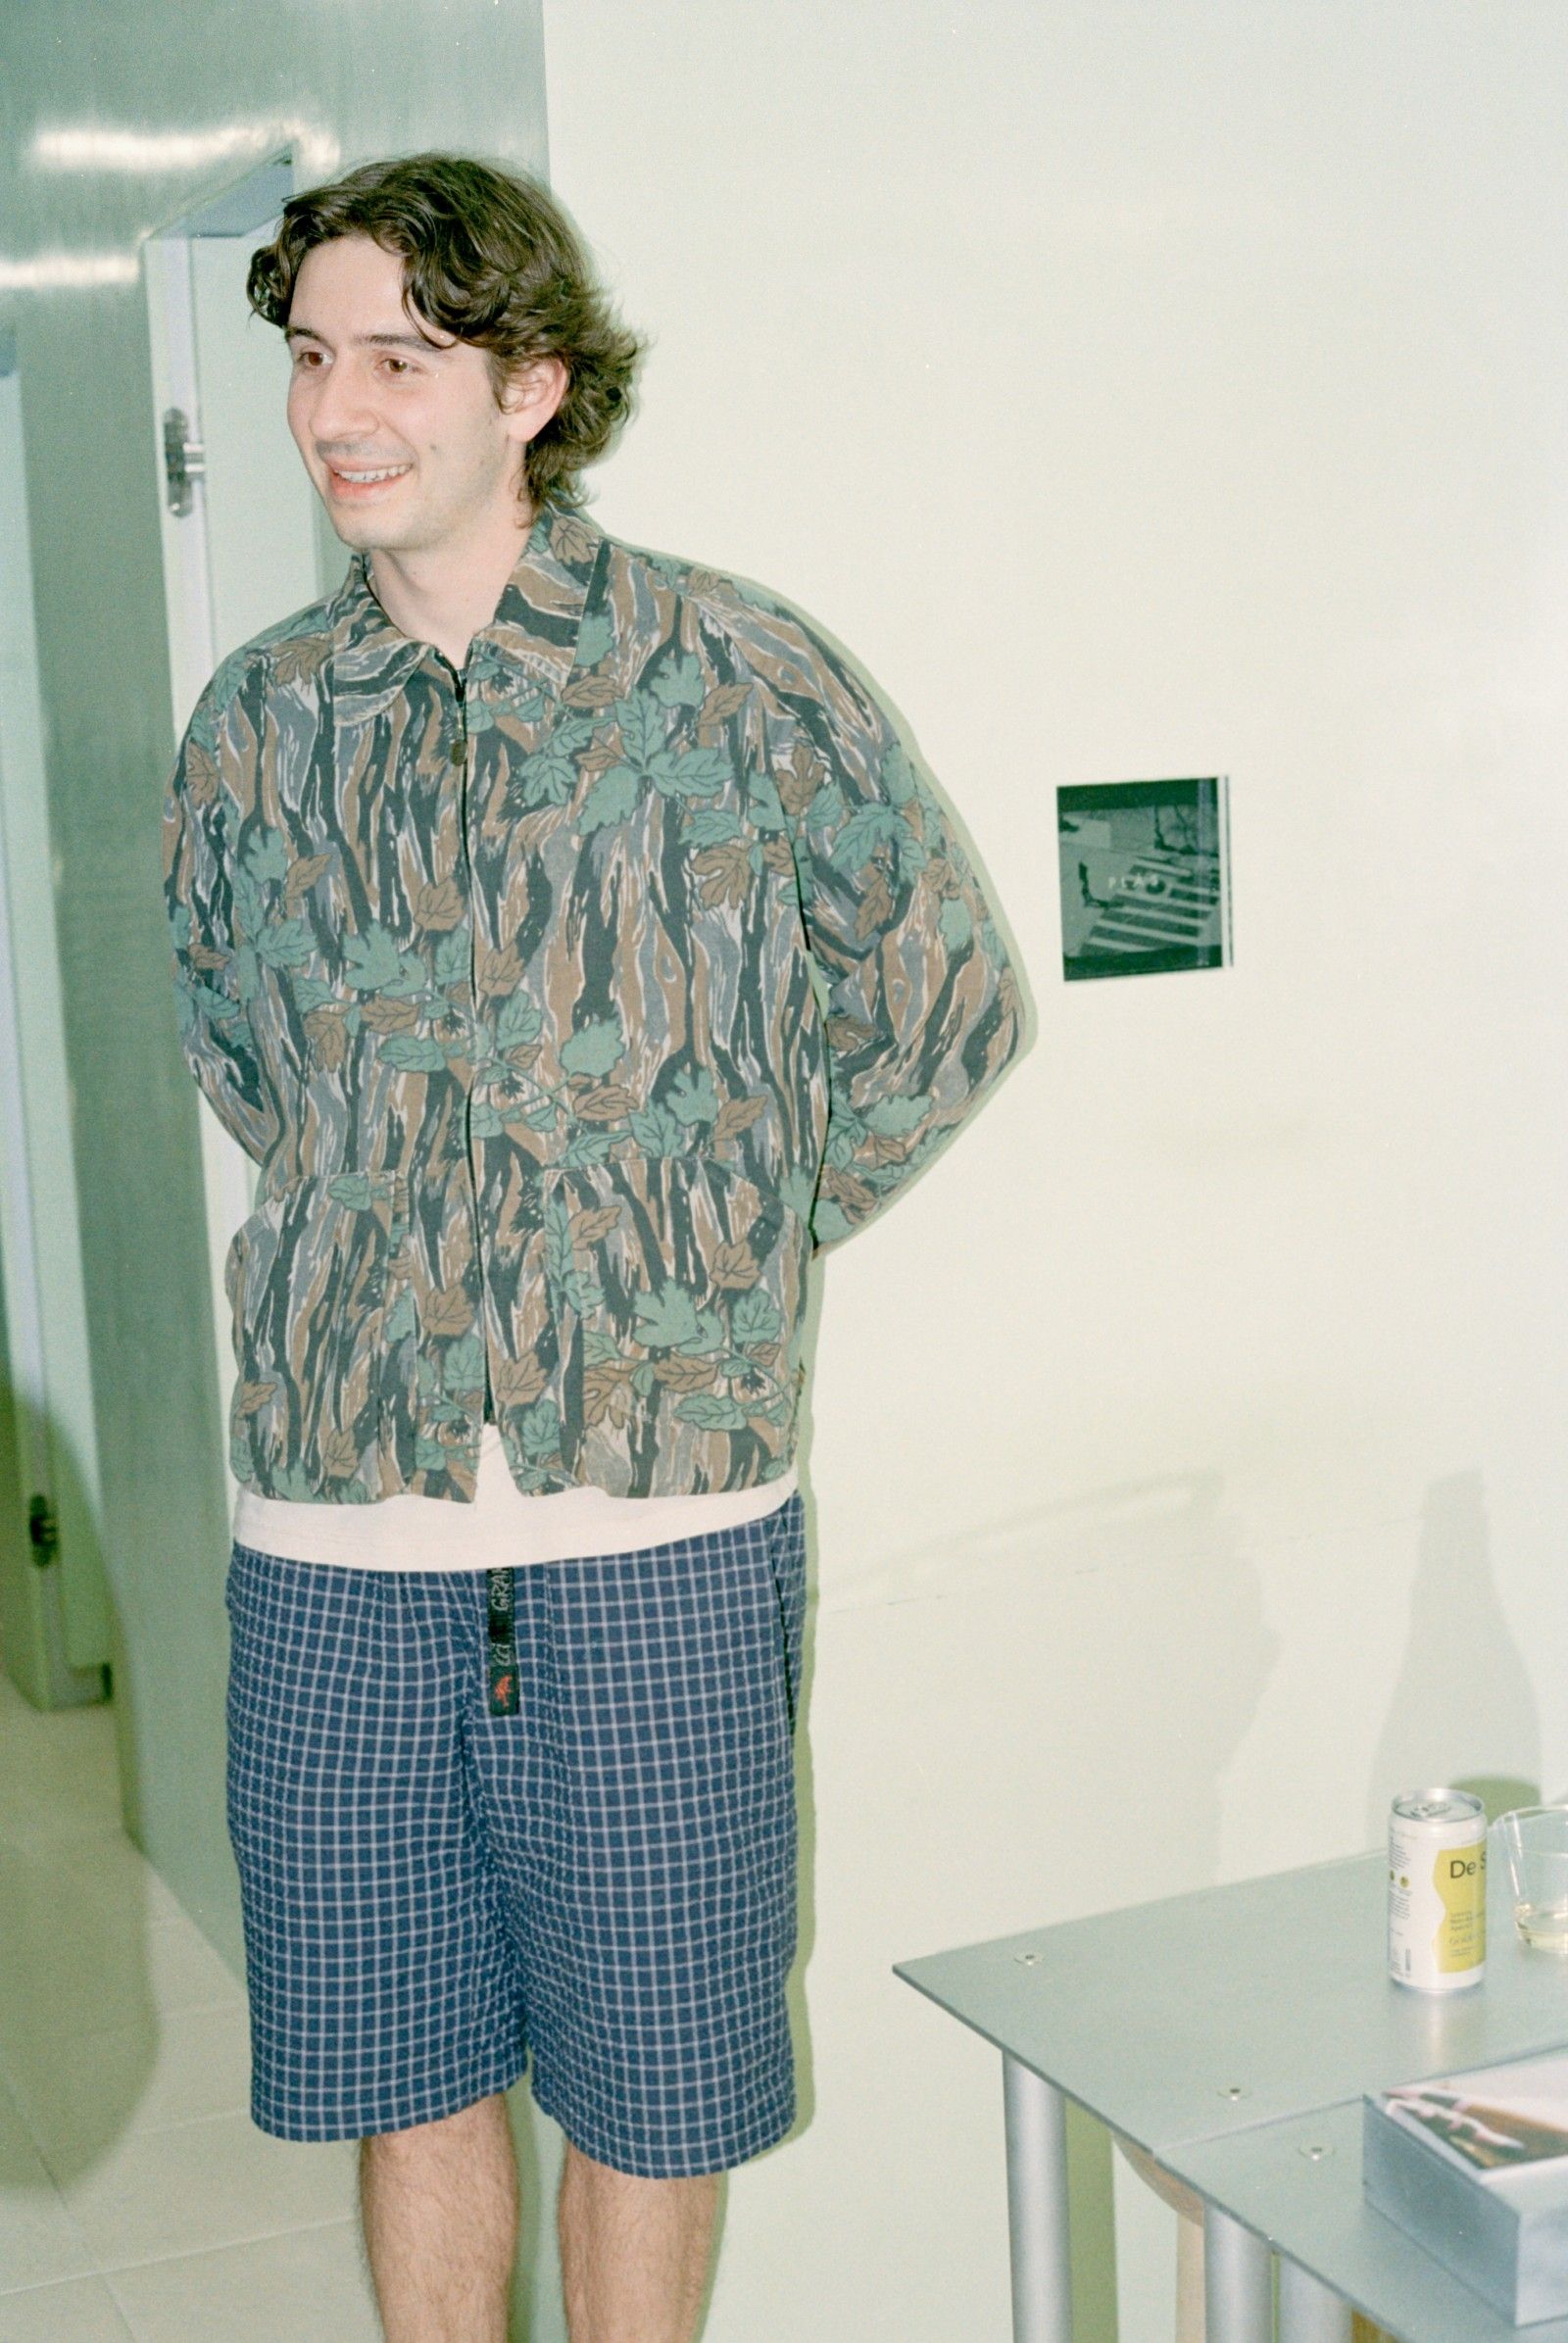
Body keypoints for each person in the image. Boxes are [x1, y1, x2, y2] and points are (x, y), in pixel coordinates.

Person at [161, 149, 1023, 2343]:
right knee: (402, 2072)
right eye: (309, 358)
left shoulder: (733, 678)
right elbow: (242, 1055)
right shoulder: (260, 723)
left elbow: (941, 1003)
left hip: (661, 1520)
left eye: (398, 359)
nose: (335, 411)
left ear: (532, 383)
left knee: (655, 2090)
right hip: (339, 1523)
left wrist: (705, 1244)